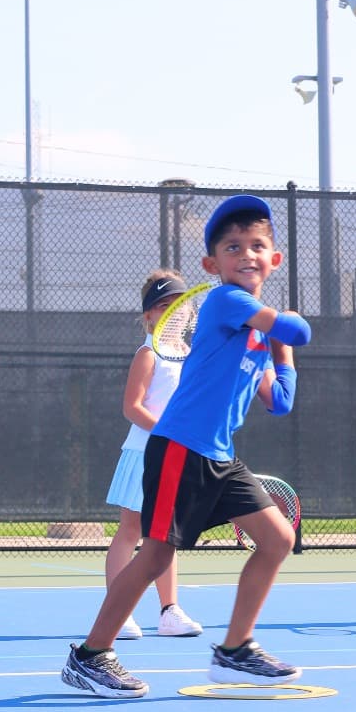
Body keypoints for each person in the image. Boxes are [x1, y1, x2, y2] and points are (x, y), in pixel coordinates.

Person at [61, 194, 312, 698]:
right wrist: (284, 327)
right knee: (155, 555)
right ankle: (89, 656)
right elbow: (298, 328)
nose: (246, 254)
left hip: (219, 456)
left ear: (274, 258)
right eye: (232, 247)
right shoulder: (226, 301)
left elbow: (280, 401)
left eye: (256, 245)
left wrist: (280, 354)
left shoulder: (257, 336)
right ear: (211, 265)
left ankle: (235, 650)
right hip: (180, 447)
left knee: (278, 540)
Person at [104, 270, 203, 641]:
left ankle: (169, 612)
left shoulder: (191, 356)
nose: (173, 311)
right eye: (163, 306)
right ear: (149, 315)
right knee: (131, 531)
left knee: (165, 536)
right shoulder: (148, 355)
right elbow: (132, 407)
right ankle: (118, 612)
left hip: (177, 458)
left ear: (190, 311)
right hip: (143, 455)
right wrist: (166, 432)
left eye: (179, 304)